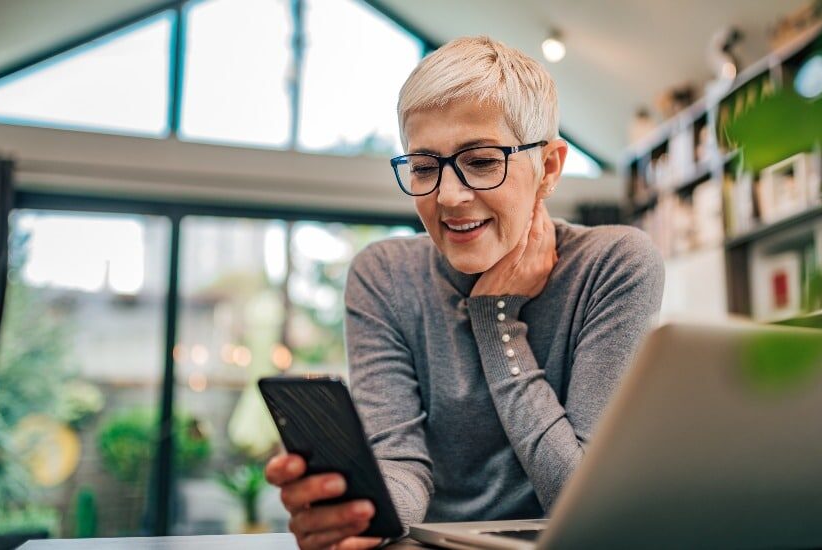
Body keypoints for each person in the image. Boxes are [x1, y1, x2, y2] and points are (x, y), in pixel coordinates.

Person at [265, 36, 664, 550]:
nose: (449, 197)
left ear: (548, 168)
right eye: (425, 167)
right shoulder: (384, 276)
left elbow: (582, 499)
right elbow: (401, 466)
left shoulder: (614, 265)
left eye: (480, 161)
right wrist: (360, 512)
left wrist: (495, 319)